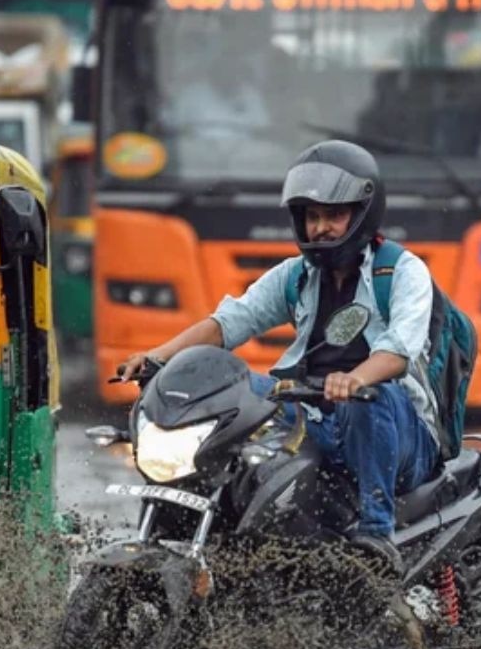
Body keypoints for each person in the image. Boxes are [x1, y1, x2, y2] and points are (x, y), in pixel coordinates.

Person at [118, 141, 441, 573]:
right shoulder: (295, 276)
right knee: (233, 391)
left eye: (334, 215)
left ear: (363, 213)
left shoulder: (402, 271)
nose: (321, 228)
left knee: (371, 398)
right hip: (315, 416)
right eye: (312, 217)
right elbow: (228, 323)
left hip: (398, 436)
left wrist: (356, 378)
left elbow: (398, 350)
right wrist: (156, 358)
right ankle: (217, 525)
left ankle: (375, 534)